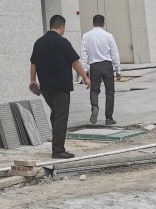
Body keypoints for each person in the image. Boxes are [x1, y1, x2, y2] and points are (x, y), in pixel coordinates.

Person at [30, 15, 91, 160]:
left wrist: (32, 80)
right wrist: (85, 77)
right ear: (62, 27)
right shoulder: (63, 42)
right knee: (61, 116)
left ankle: (56, 145)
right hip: (61, 87)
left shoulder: (39, 42)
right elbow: (75, 62)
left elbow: (33, 63)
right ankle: (58, 150)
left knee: (56, 114)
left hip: (45, 87)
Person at [80, 14, 122, 126]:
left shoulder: (86, 36)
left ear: (93, 23)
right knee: (110, 92)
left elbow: (84, 54)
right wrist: (117, 69)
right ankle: (109, 118)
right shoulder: (109, 36)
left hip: (94, 66)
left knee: (94, 90)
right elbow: (114, 53)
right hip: (107, 65)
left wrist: (85, 70)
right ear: (103, 23)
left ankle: (95, 106)